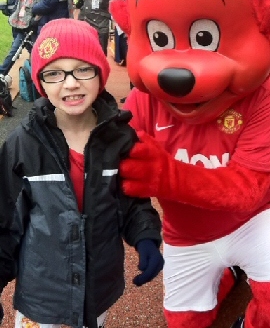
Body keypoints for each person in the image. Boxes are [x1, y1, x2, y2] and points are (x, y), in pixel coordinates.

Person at [109, 0, 270, 328]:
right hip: (187, 234)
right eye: (160, 38)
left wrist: (166, 176)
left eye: (205, 37)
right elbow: (116, 170)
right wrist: (144, 233)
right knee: (185, 323)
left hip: (255, 220)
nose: (178, 71)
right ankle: (224, 276)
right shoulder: (143, 98)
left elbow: (248, 189)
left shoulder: (264, 95)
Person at [0, 18, 163, 328]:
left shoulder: (120, 138)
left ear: (100, 73)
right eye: (55, 73)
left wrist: (145, 237)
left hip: (98, 290)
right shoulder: (23, 144)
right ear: (41, 82)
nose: (71, 83)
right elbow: (5, 221)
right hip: (42, 298)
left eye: (83, 69)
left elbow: (133, 202)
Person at [0, 0, 40, 81]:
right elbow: (19, 5)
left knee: (33, 50)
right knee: (15, 49)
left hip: (31, 26)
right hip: (19, 24)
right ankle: (3, 72)